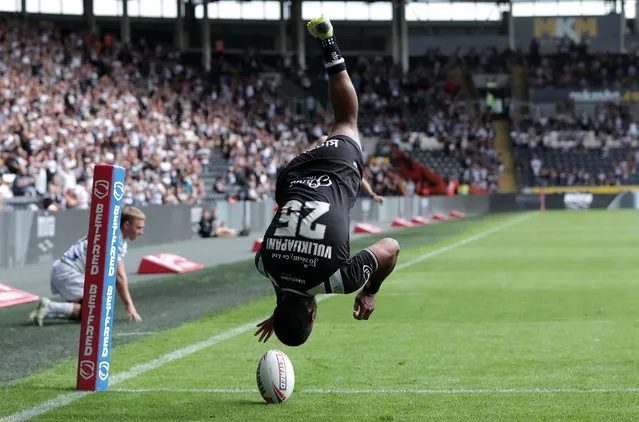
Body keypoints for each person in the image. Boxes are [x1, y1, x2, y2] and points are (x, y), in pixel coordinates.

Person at [253, 16, 400, 347]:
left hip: (335, 168)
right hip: (292, 174)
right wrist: (282, 311)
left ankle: (328, 42)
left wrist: (370, 291)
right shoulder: (264, 264)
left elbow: (391, 247)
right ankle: (322, 138)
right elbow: (285, 280)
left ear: (312, 315)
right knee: (334, 132)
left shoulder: (338, 281)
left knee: (346, 121)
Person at [28, 206, 146, 326]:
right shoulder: (114, 240)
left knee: (93, 311)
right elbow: (119, 276)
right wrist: (129, 304)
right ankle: (50, 307)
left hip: (65, 269)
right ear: (126, 225)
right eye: (138, 228)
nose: (141, 232)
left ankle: (47, 311)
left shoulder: (116, 236)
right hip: (69, 273)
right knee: (98, 311)